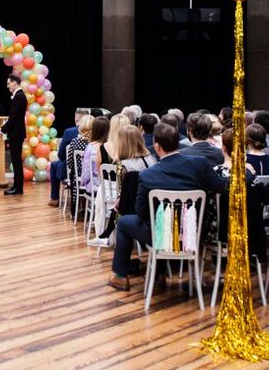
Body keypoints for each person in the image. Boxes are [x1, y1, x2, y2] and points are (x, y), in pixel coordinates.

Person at [107, 122, 228, 291]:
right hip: (192, 233)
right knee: (162, 222)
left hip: (161, 236)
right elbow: (222, 188)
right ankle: (159, 273)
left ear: (157, 146)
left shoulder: (148, 175)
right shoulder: (200, 164)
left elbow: (141, 212)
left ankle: (120, 276)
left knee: (126, 222)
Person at [48, 107, 90, 207]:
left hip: (70, 172)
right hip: (89, 173)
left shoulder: (69, 132)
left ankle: (55, 198)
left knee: (54, 165)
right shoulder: (94, 132)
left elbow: (61, 155)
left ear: (76, 119)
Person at [2, 74, 27, 195]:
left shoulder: (19, 96)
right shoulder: (19, 95)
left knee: (16, 161)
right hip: (17, 133)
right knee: (16, 160)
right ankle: (17, 187)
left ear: (14, 83)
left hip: (16, 134)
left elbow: (13, 118)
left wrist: (2, 130)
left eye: (8, 83)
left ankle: (18, 188)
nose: (7, 86)